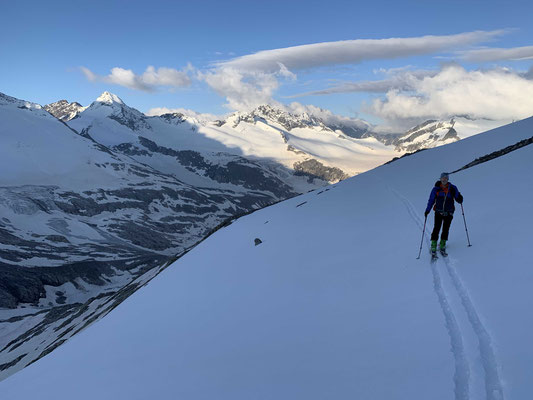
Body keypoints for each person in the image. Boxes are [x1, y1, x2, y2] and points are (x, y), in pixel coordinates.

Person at [425, 172, 463, 255]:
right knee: (436, 228)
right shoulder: (436, 189)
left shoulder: (453, 188)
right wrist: (428, 210)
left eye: (446, 178)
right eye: (443, 178)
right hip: (438, 211)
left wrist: (460, 198)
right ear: (440, 179)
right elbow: (431, 200)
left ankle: (443, 243)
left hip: (449, 212)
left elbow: (458, 198)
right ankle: (434, 244)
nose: (444, 179)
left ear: (448, 179)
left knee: (446, 229)